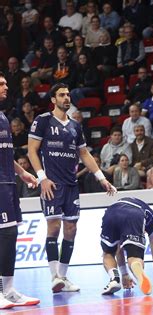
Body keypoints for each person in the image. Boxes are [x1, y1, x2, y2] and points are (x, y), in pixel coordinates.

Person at [28, 83, 116, 293]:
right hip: (51, 185)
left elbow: (84, 154)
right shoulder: (43, 121)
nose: (66, 98)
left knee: (71, 230)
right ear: (53, 100)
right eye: (61, 95)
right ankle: (53, 277)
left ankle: (63, 277)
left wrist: (101, 178)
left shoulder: (75, 126)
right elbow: (32, 151)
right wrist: (42, 179)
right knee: (54, 227)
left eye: (68, 95)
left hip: (71, 186)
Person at [0, 72, 40, 310]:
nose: (6, 87)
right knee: (3, 236)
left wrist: (22, 173)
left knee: (10, 235)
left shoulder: (4, 118)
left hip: (8, 184)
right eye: (1, 84)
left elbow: (5, 153)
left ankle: (9, 289)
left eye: (5, 83)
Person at [100, 197, 153, 295]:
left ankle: (115, 279)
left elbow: (119, 248)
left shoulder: (125, 203)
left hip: (111, 212)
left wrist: (124, 273)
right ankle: (136, 265)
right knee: (134, 258)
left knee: (108, 253)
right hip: (135, 214)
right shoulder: (151, 218)